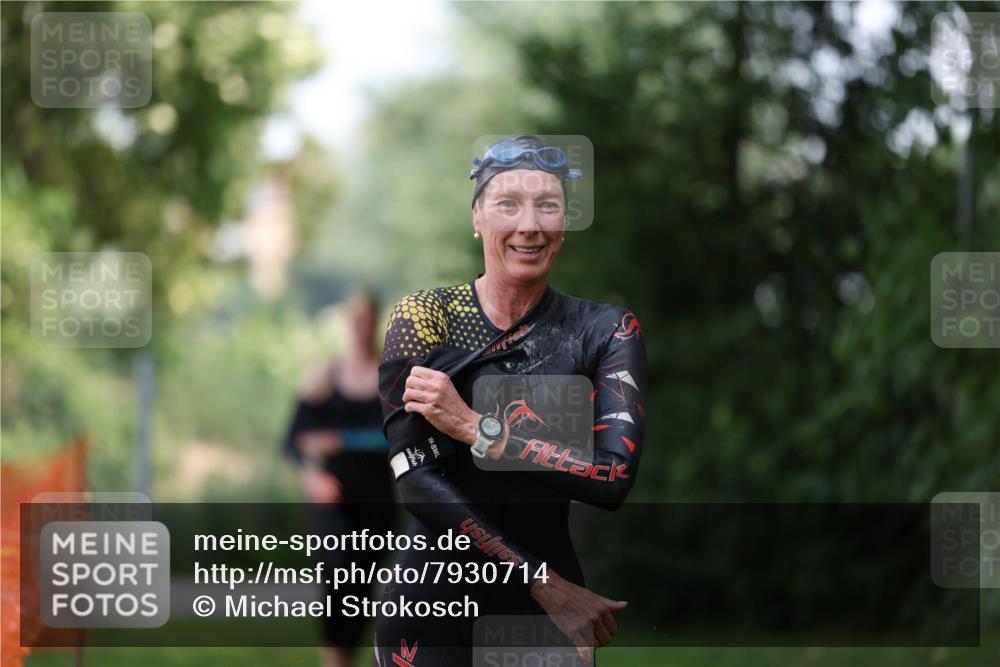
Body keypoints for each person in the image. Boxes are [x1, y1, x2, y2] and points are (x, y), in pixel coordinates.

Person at [372, 136, 647, 666]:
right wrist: (547, 585)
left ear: (564, 224)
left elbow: (612, 479)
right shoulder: (426, 319)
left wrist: (477, 429)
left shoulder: (604, 331)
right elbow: (417, 485)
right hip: (433, 606)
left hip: (545, 622)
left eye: (548, 205)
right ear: (477, 217)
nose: (529, 224)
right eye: (507, 204)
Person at [284, 290, 396, 667]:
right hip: (331, 501)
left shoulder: (391, 376)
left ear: (376, 321)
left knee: (362, 587)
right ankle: (334, 658)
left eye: (369, 318)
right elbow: (292, 442)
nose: (361, 326)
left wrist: (341, 439)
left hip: (376, 500)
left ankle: (344, 657)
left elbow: (399, 437)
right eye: (356, 318)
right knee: (337, 577)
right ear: (348, 322)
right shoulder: (323, 377)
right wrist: (311, 476)